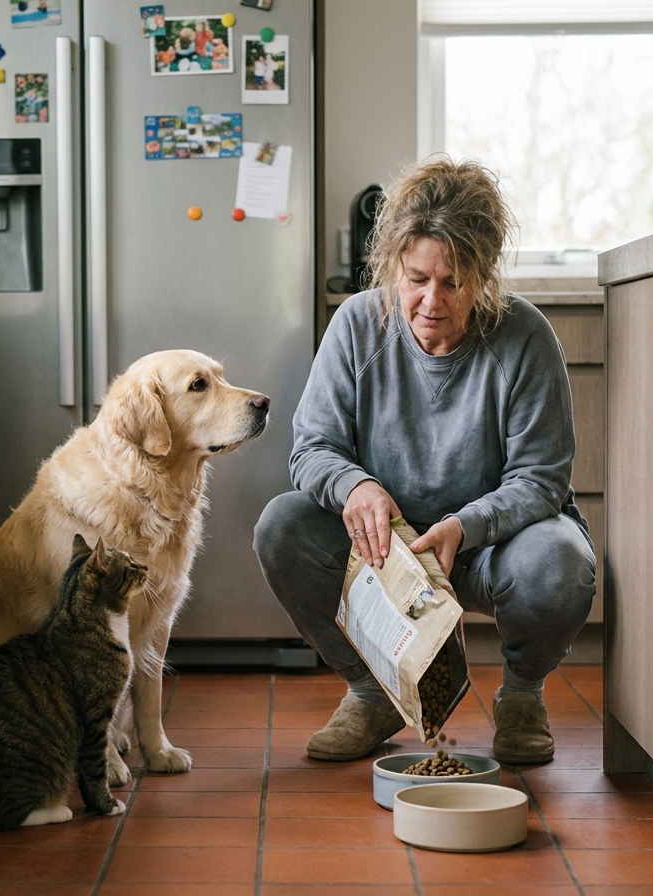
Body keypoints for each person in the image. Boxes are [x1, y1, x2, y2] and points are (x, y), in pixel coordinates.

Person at [253, 156, 596, 766]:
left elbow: (542, 480)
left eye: (454, 283)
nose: (431, 301)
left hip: (492, 546)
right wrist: (356, 487)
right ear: (393, 265)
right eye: (416, 279)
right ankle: (373, 692)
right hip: (386, 550)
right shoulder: (358, 324)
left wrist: (467, 527)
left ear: (484, 277)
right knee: (281, 525)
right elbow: (312, 449)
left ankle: (520, 695)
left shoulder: (526, 337)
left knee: (562, 561)